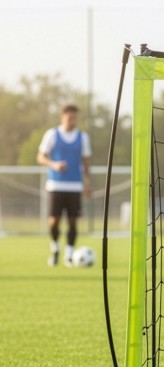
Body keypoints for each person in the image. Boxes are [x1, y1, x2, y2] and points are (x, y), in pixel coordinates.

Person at [37, 104, 92, 267]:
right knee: (54, 221)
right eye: (69, 117)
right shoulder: (52, 134)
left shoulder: (83, 137)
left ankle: (69, 255)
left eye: (75, 117)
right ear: (62, 117)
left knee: (73, 221)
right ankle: (55, 250)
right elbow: (40, 157)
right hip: (55, 185)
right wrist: (54, 165)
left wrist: (88, 184)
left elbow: (86, 163)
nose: (72, 120)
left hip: (75, 186)